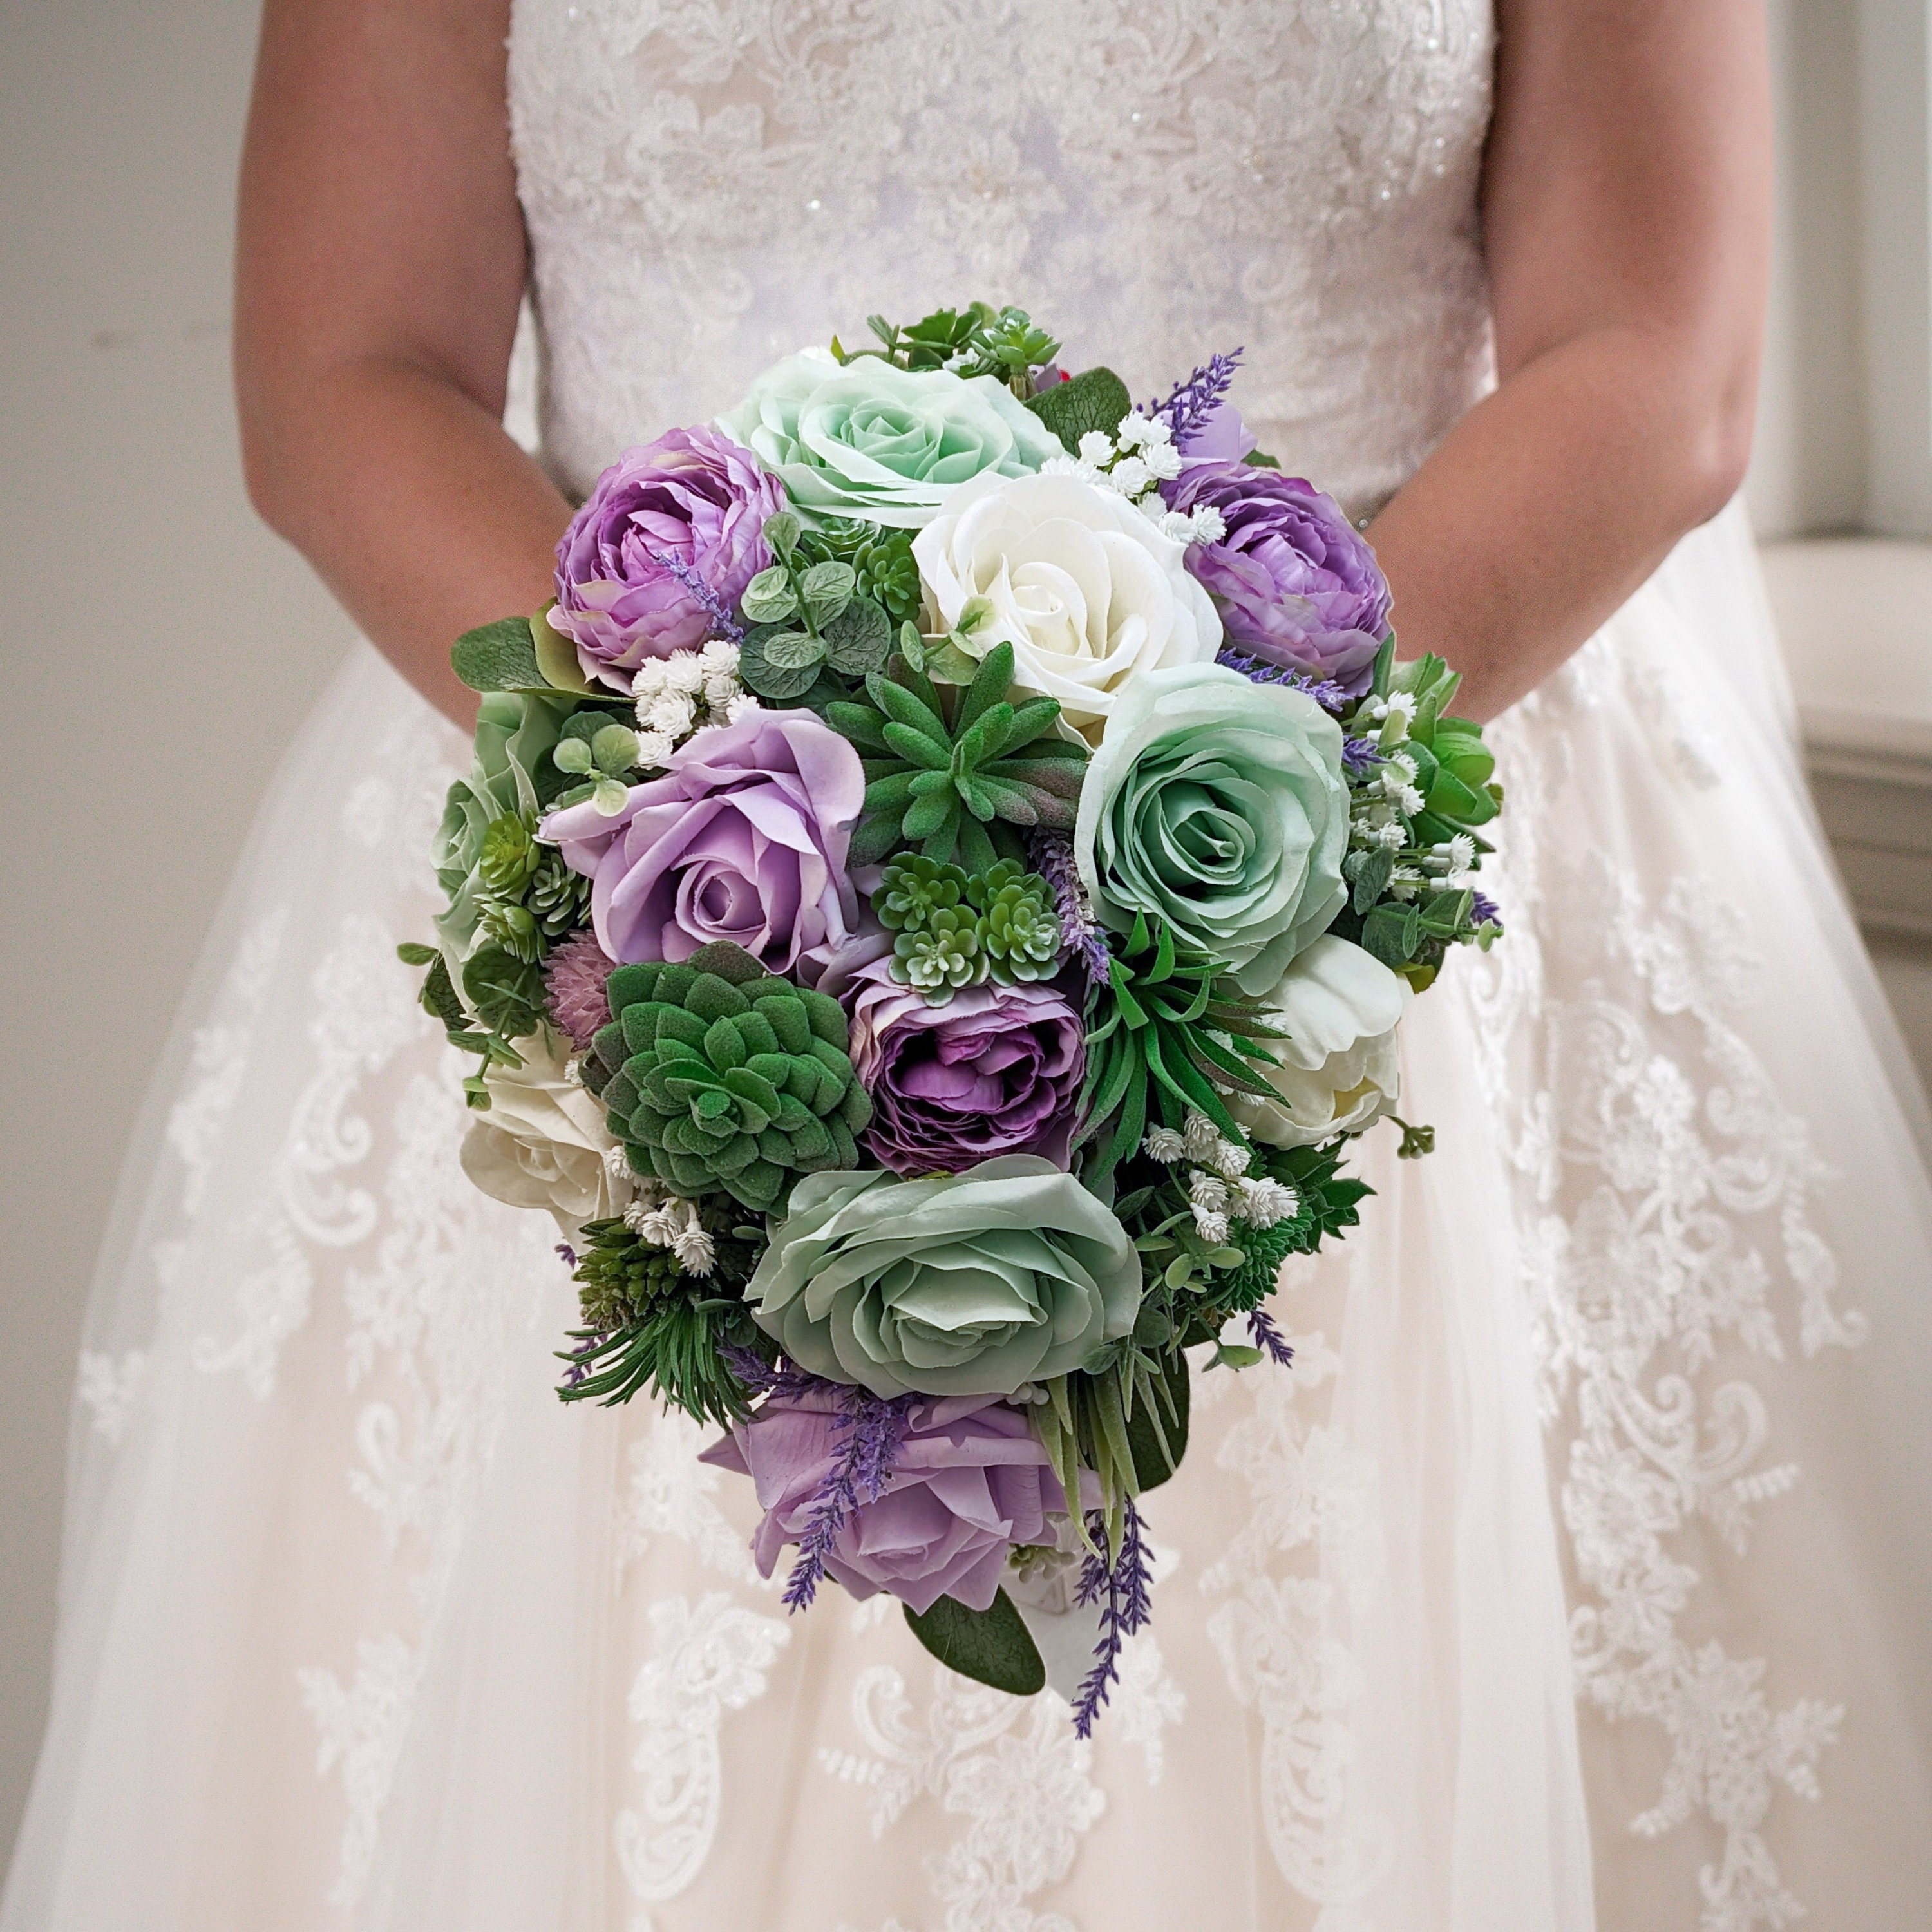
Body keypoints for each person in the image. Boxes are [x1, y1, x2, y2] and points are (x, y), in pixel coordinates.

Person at [6, 1, 1931, 1926]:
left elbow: (1650, 348)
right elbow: (353, 361)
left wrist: (1224, 830)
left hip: (1368, 827)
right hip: (670, 874)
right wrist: (740, 831)